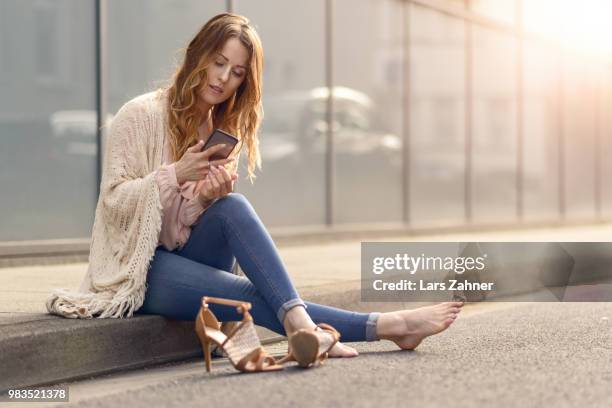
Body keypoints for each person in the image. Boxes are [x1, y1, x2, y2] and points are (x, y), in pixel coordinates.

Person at [46, 13, 463, 368]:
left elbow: (178, 229)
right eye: (219, 63)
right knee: (253, 293)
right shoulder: (138, 115)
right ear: (199, 57)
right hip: (136, 272)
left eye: (237, 72)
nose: (224, 78)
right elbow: (114, 203)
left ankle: (312, 325)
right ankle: (385, 326)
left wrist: (207, 199)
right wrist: (174, 174)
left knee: (232, 206)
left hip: (182, 256)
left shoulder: (216, 134)